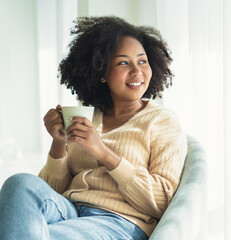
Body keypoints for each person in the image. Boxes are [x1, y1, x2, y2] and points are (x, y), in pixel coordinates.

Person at [0, 16, 187, 240]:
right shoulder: (89, 116)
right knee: (19, 184)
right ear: (102, 73)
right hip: (70, 210)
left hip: (120, 221)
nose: (137, 71)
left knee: (41, 235)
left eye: (142, 61)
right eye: (123, 62)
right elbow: (52, 191)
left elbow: (162, 201)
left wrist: (102, 152)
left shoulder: (162, 121)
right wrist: (59, 143)